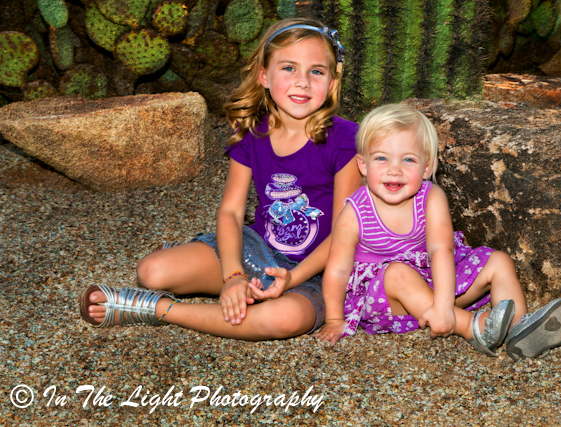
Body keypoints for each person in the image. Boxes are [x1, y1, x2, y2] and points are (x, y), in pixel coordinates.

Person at [78, 17, 362, 340]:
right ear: (264, 76)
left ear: (331, 80)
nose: (303, 82)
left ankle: (158, 311)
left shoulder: (346, 140)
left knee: (282, 319)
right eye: (289, 68)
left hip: (319, 272)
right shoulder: (252, 132)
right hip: (256, 249)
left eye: (316, 71)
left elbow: (343, 235)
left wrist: (293, 279)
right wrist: (234, 276)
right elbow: (230, 211)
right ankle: (198, 254)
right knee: (151, 271)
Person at [312, 104, 561, 360]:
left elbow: (441, 250)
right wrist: (335, 319)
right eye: (381, 158)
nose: (394, 169)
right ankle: (472, 327)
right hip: (385, 298)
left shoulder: (431, 197)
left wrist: (442, 305)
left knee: (499, 261)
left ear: (426, 167)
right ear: (363, 165)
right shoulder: (354, 212)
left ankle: (519, 329)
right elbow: (336, 270)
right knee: (397, 273)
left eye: (408, 159)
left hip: (438, 281)